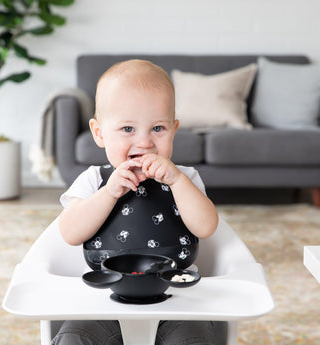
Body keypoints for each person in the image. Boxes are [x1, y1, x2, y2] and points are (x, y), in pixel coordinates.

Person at [52, 59, 220, 345]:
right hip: (103, 299)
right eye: (128, 129)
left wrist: (177, 182)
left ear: (174, 129)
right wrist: (109, 193)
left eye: (157, 129)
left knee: (195, 339)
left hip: (178, 297)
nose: (144, 143)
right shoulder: (94, 179)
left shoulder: (186, 177)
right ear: (99, 133)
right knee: (74, 338)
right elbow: (70, 232)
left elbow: (206, 227)